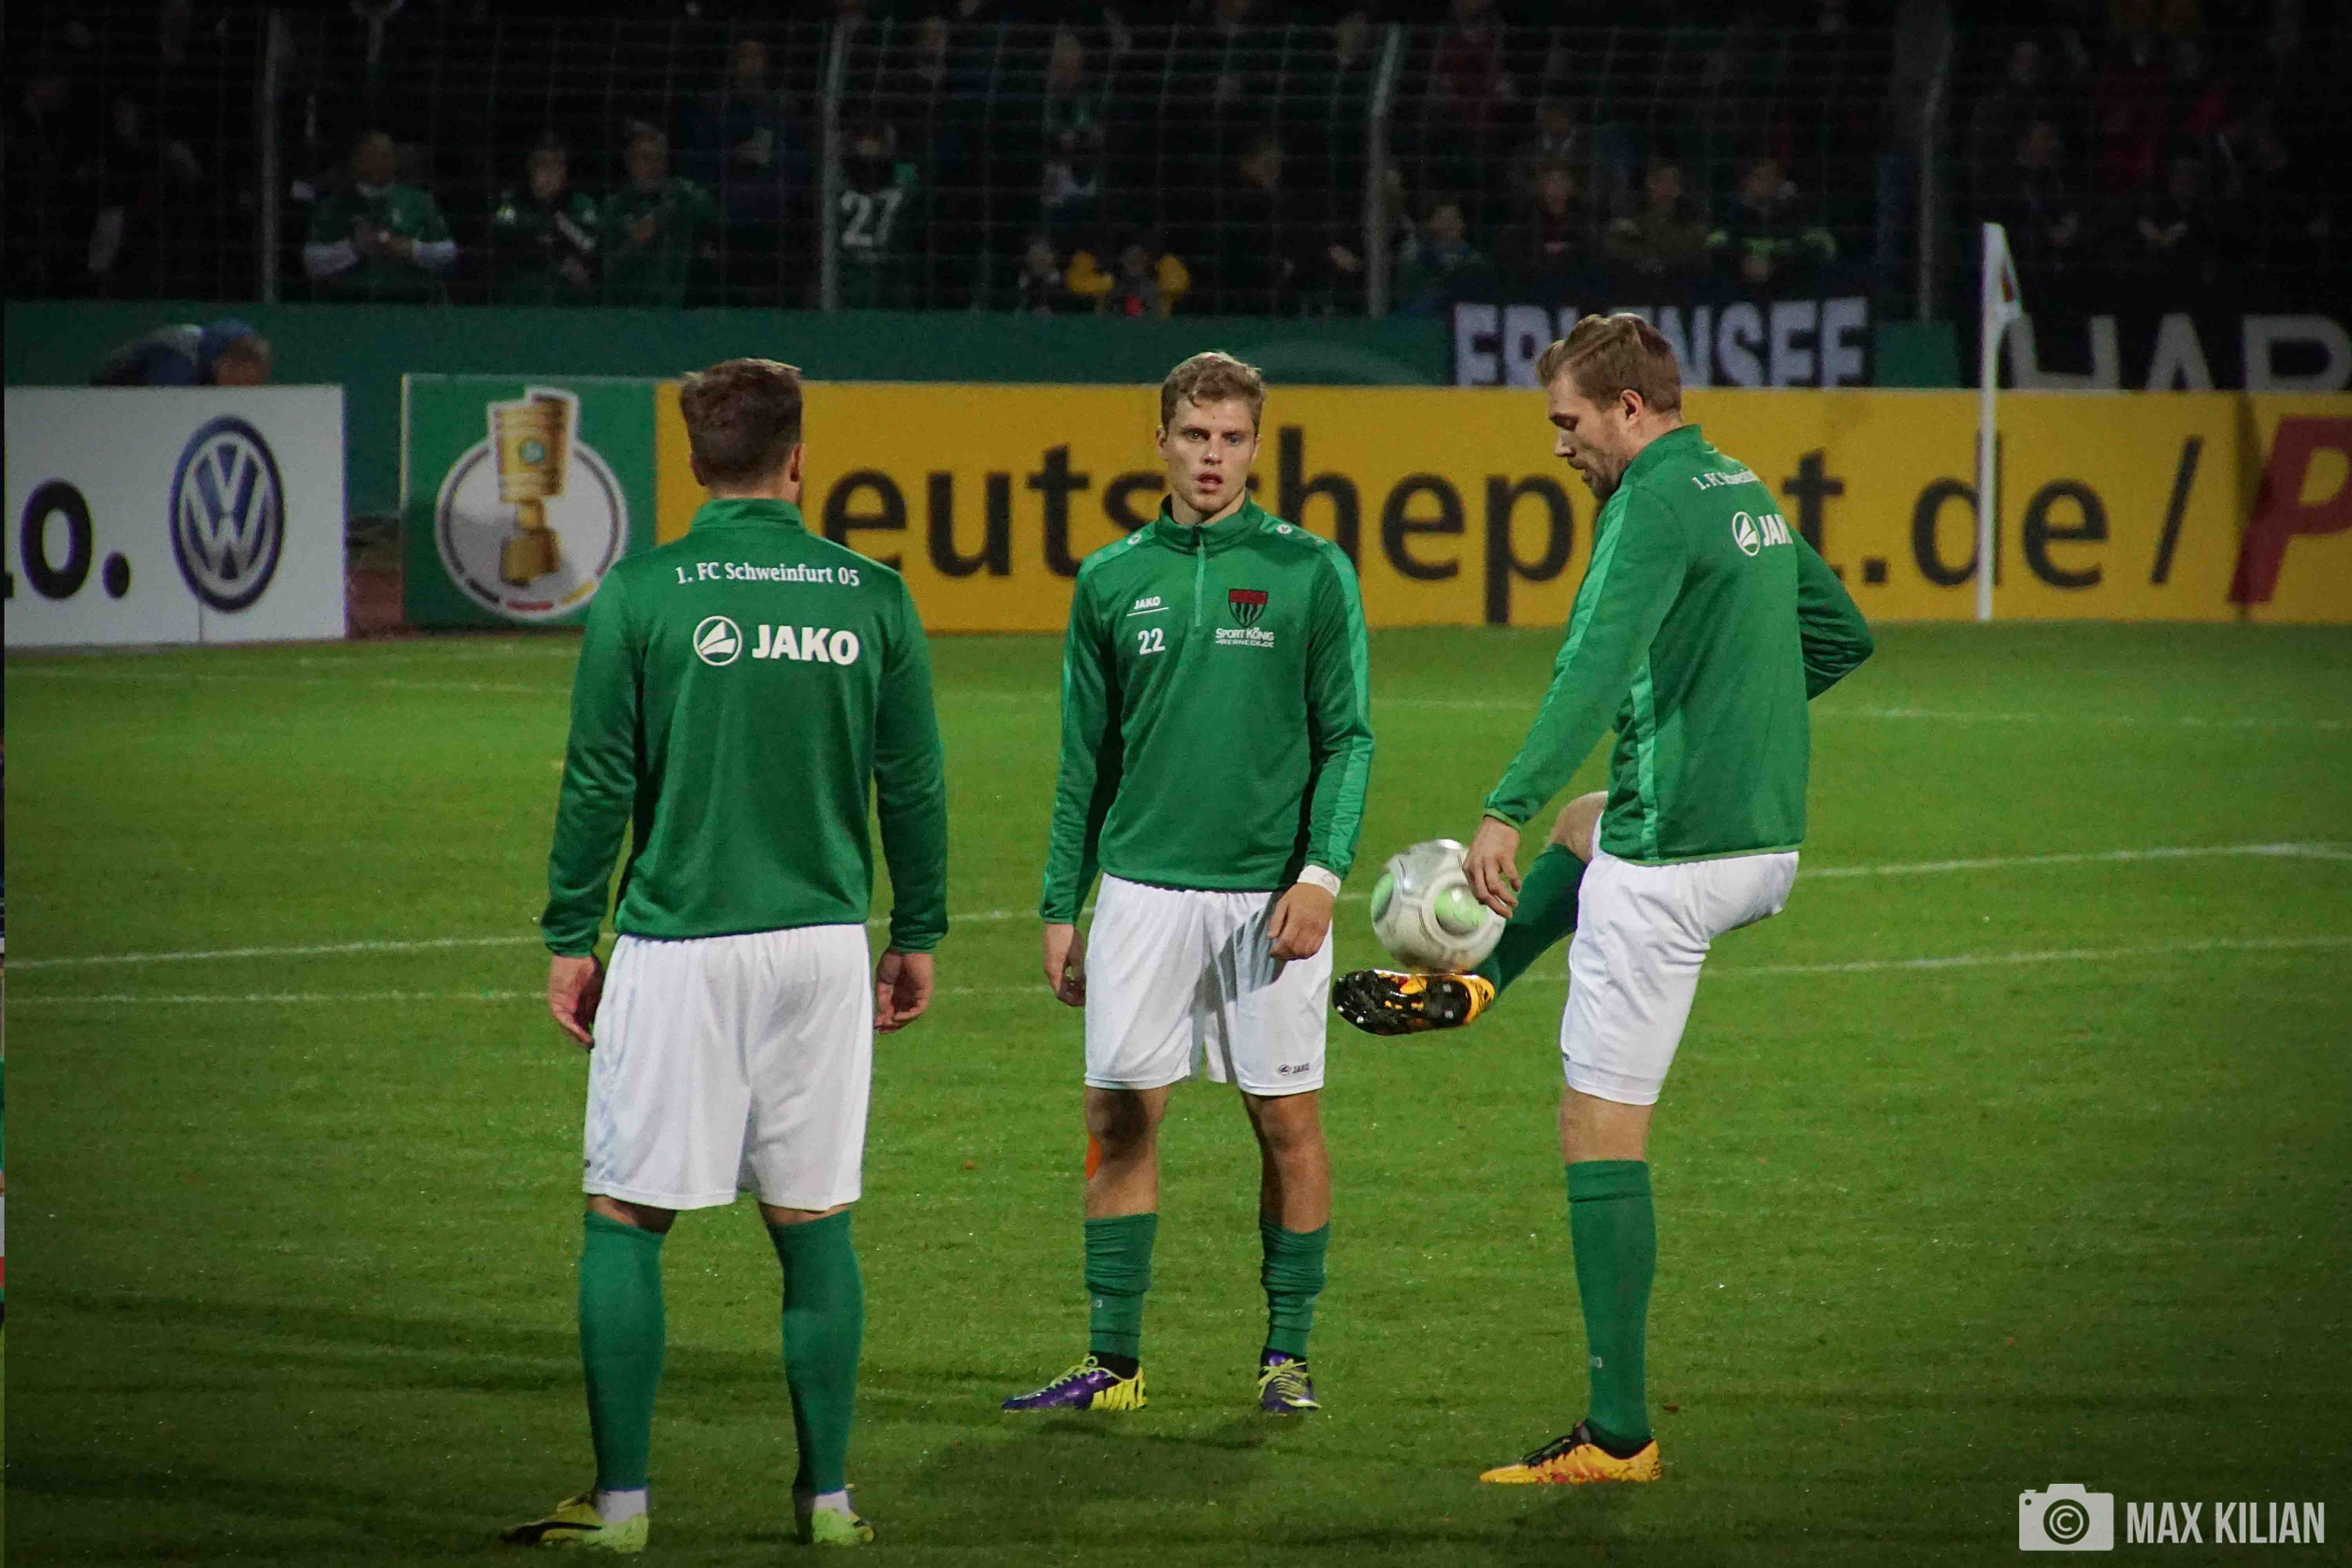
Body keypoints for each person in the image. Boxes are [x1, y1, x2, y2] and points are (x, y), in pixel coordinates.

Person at [1344, 316, 1872, 1483]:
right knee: (1589, 824)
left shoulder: (1647, 506)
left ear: (1628, 409)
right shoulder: (1736, 483)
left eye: (1567, 420)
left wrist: (1503, 805)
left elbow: (1589, 668)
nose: (1558, 443)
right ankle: (1480, 979)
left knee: (1597, 1126)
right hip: (1761, 845)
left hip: (1676, 860)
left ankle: (1617, 1432)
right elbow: (1840, 634)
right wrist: (1731, 720)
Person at [503, 359, 947, 1552]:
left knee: (624, 1213)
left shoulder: (643, 592)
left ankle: (622, 1506)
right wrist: (917, 930)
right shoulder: (872, 594)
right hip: (823, 945)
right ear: (798, 458)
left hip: (680, 940)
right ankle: (828, 1502)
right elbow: (911, 779)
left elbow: (600, 778)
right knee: (815, 1219)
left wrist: (569, 934)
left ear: (695, 461)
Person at [1005, 352, 1374, 1419]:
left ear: (1256, 447)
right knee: (1119, 1116)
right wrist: (1060, 904)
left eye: (1232, 439)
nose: (1213, 457)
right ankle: (1113, 1365)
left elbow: (1348, 738)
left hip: (1269, 898)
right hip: (1142, 893)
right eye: (1196, 436)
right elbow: (1087, 760)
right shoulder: (1112, 579)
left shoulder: (1311, 570)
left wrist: (1321, 874)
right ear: (1161, 441)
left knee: (1287, 1123)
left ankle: (1287, 1356)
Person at [301, 130, 456, 300]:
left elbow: (448, 254)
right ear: (356, 161)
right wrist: (355, 249)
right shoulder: (333, 206)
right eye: (371, 155)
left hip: (412, 303)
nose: (380, 163)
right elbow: (312, 263)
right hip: (347, 305)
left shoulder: (419, 202)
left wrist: (412, 250)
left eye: (386, 156)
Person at [601, 124, 717, 309]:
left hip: (674, 314)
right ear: (629, 161)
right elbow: (605, 272)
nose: (656, 167)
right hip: (626, 314)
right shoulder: (614, 207)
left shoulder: (685, 197)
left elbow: (712, 221)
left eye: (660, 158)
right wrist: (636, 243)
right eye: (646, 158)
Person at [489, 136, 599, 305]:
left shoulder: (581, 205)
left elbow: (590, 248)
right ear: (530, 168)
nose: (549, 173)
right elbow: (502, 239)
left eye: (556, 165)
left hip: (569, 306)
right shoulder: (511, 204)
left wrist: (555, 212)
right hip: (519, 305)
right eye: (542, 164)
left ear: (565, 171)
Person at [90, 318, 272, 386]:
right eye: (238, 383)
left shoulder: (207, 362)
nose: (240, 391)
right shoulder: (177, 361)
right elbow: (164, 415)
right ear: (224, 365)